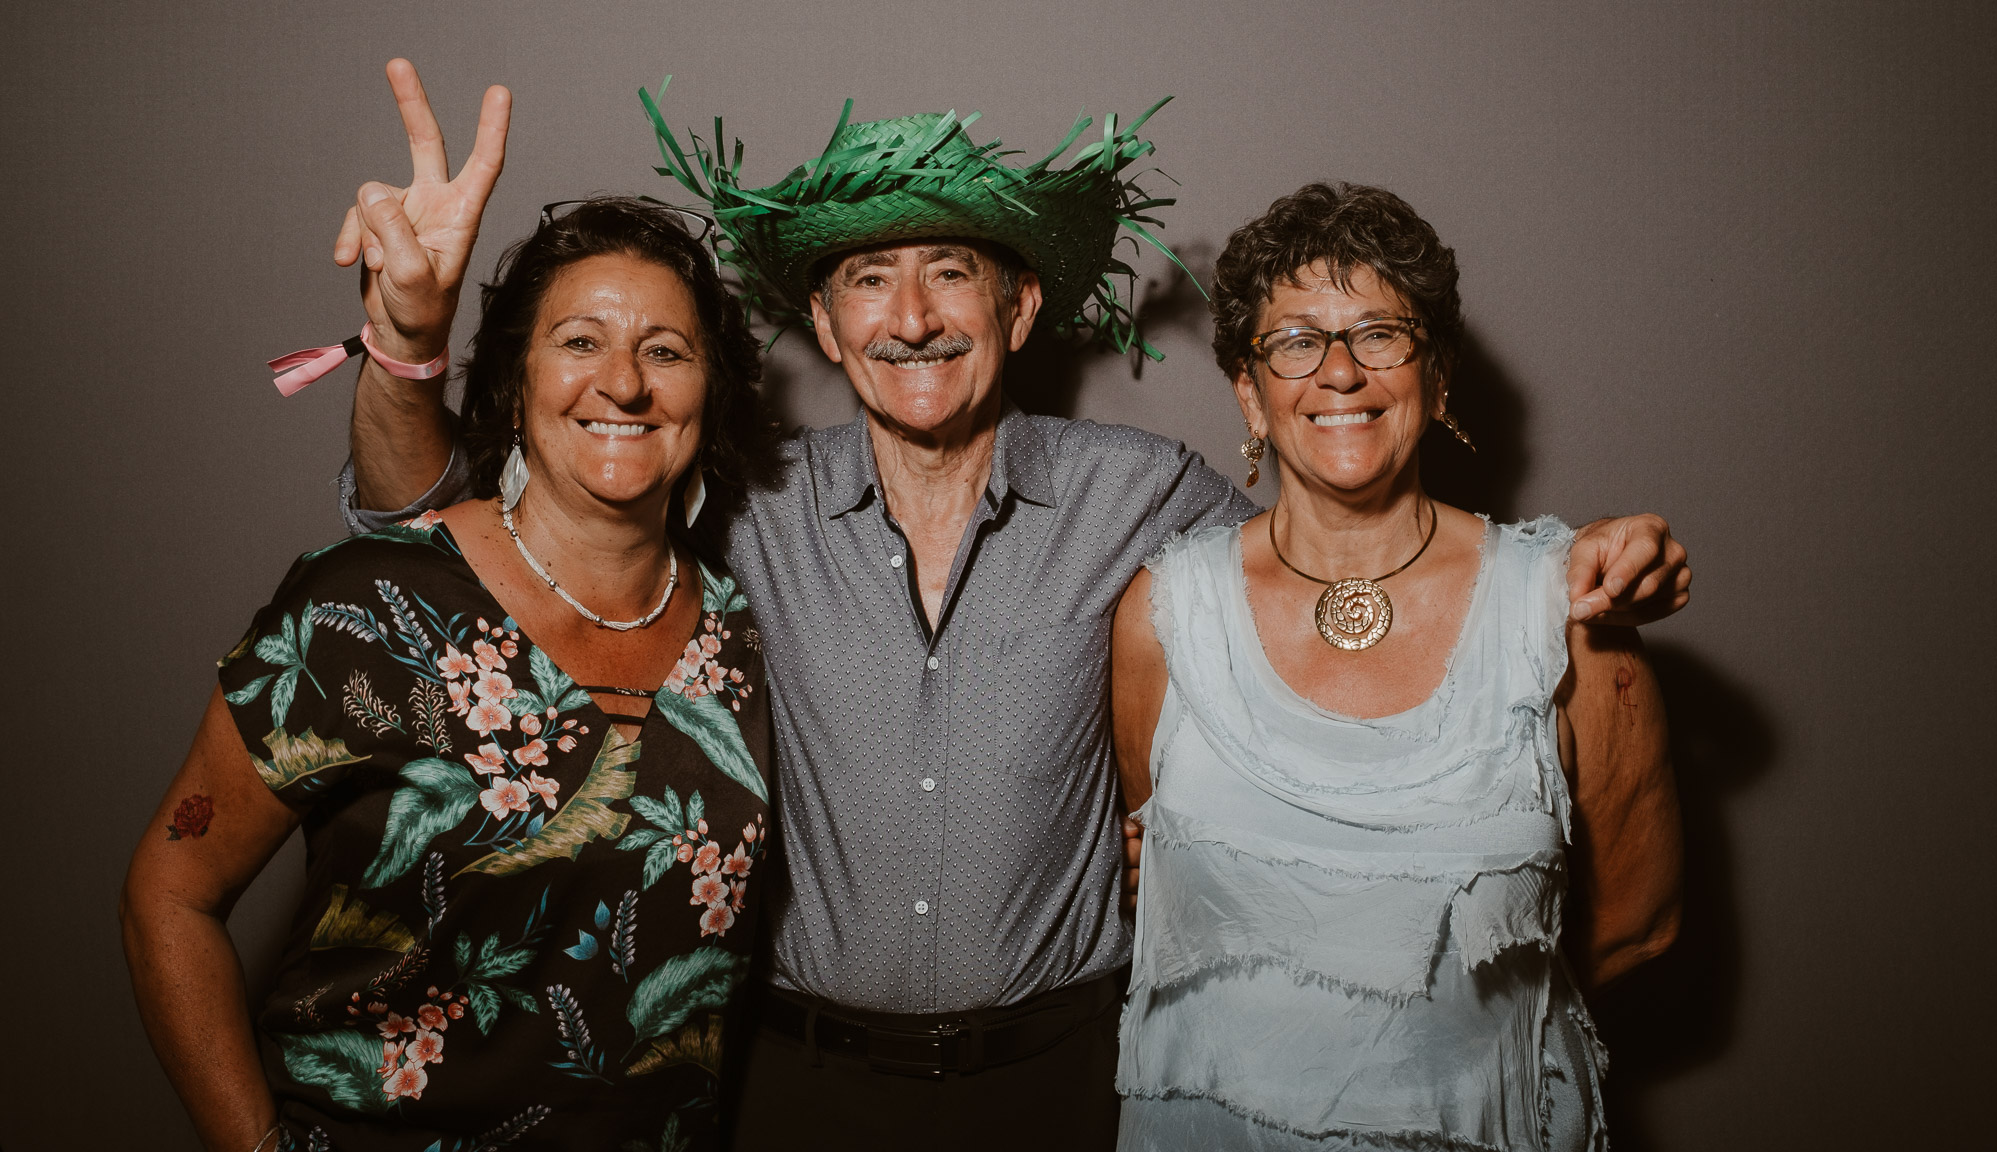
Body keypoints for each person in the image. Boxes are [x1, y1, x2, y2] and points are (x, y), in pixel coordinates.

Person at [337, 62, 1691, 1151]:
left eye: (953, 274)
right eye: (871, 277)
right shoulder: (738, 503)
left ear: (1023, 304)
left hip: (1061, 1091)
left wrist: (1563, 566)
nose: (913, 313)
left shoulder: (1152, 503)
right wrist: (406, 341)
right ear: (823, 316)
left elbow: (1360, 539)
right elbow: (450, 527)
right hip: (795, 1088)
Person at [121, 183, 775, 1149]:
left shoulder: (738, 629)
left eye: (667, 351)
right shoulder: (362, 605)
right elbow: (169, 893)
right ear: (514, 383)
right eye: (581, 341)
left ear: (708, 393)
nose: (626, 384)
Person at [1110, 181, 1685, 1151]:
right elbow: (1155, 874)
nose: (1338, 370)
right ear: (1248, 391)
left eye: (1379, 332)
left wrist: (1445, 1039)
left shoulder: (1569, 610)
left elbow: (1638, 915)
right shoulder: (1162, 615)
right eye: (1295, 340)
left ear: (1438, 373)